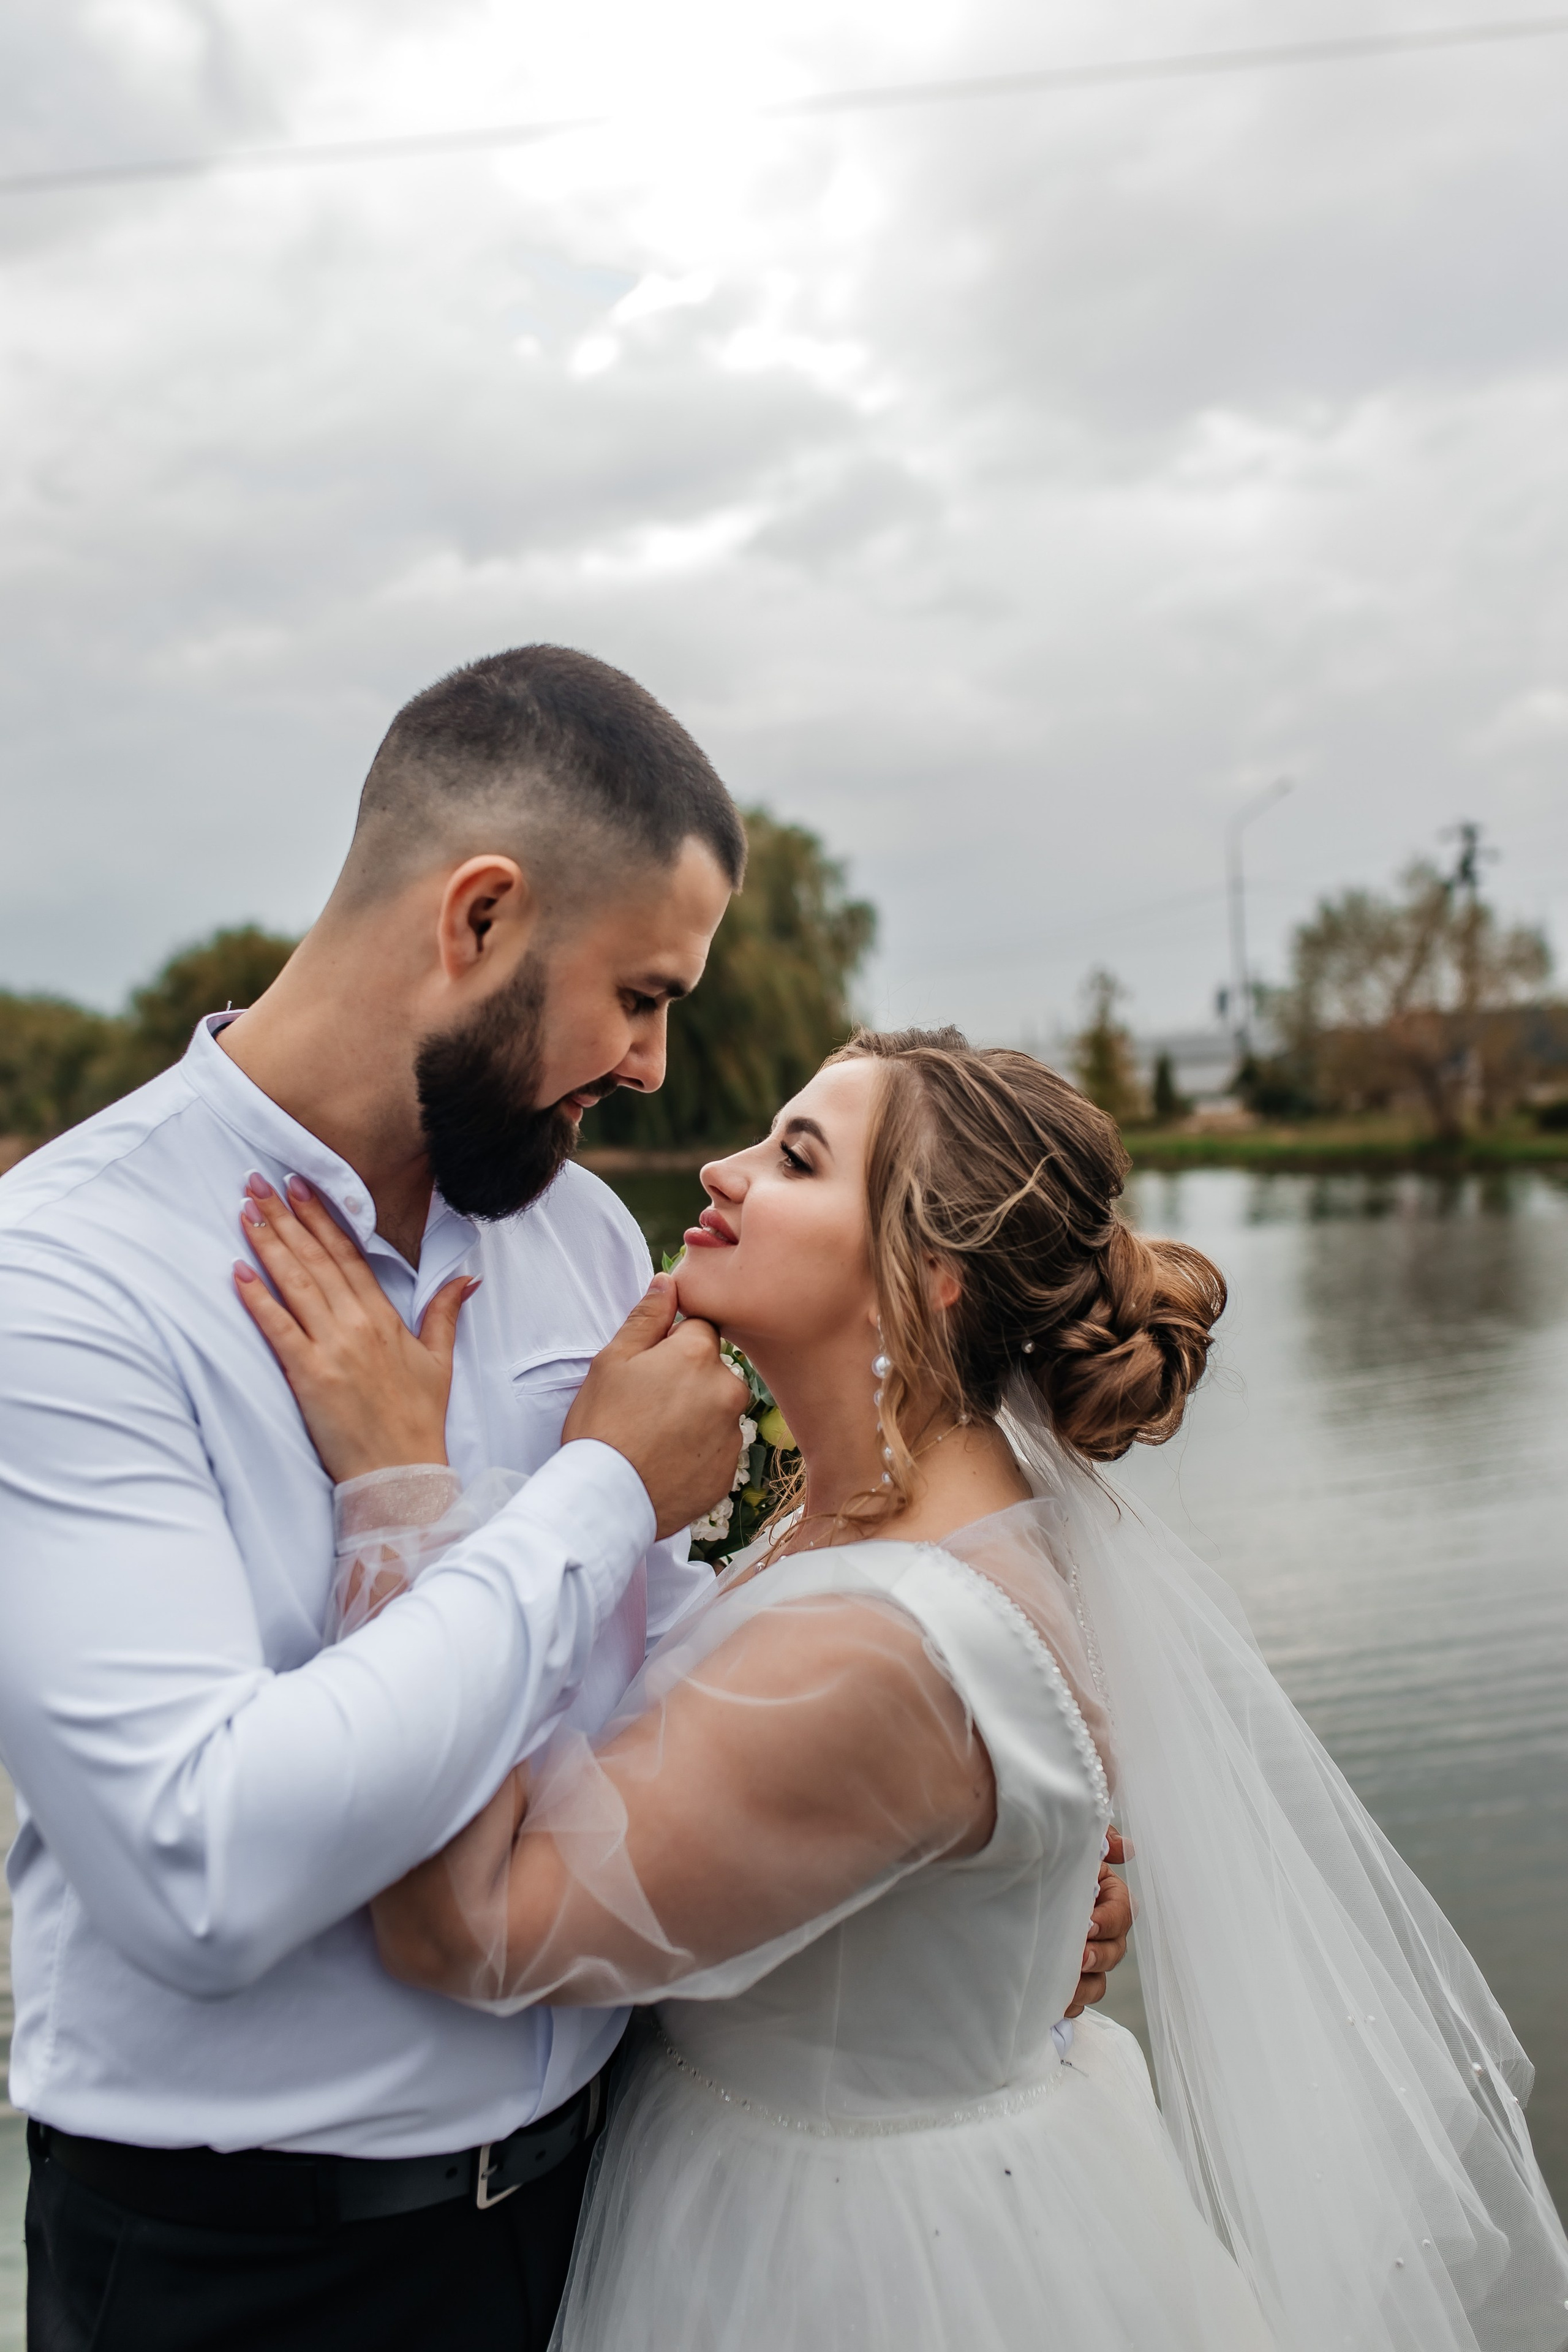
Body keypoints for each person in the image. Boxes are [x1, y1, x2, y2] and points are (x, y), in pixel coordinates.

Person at [241, 1026, 1568, 2351]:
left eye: (795, 1158)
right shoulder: (896, 1517)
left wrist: (397, 1486)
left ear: (924, 1278)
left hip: (842, 2270)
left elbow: (461, 1938)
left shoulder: (886, 1647)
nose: (720, 1168)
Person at [0, 644, 770, 2351]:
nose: (650, 1066)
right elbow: (205, 1873)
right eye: (640, 995)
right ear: (479, 920)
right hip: (251, 2277)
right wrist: (591, 1497)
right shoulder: (64, 1281)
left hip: (615, 2210)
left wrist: (971, 1862)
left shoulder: (576, 1237)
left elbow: (644, 1698)